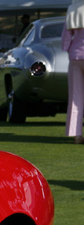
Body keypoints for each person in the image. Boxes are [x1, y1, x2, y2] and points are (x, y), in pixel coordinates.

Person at [63, 0, 84, 143]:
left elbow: (66, 35)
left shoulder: (72, 8)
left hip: (76, 56)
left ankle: (76, 134)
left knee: (75, 96)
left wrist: (68, 49)